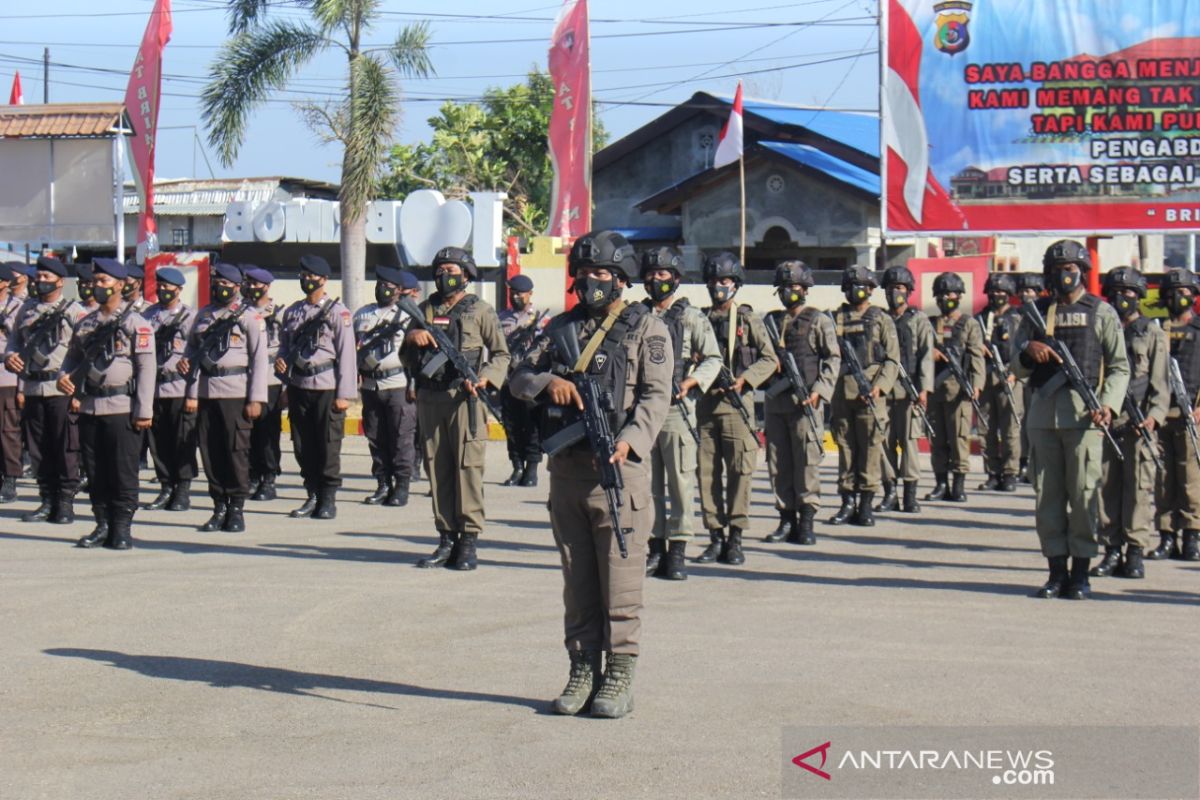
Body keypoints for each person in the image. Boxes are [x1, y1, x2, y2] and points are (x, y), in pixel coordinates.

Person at [508, 229, 671, 719]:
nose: (592, 281)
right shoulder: (560, 326)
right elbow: (517, 376)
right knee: (577, 580)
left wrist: (631, 440)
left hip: (619, 473)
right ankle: (582, 668)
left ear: (620, 279)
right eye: (585, 274)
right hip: (568, 472)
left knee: (621, 580)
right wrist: (548, 381)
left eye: (602, 274)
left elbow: (657, 395)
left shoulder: (646, 328)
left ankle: (620, 673)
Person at [1013, 239, 1129, 599]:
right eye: (1058, 269)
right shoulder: (1035, 313)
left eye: (1071, 269)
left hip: (1084, 418)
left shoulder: (1101, 312)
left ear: (1082, 271)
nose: (1065, 276)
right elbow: (1014, 366)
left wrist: (1108, 404)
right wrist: (1028, 352)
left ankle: (1081, 572)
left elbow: (1120, 366)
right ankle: (1055, 571)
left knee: (1083, 497)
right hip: (1043, 418)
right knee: (1047, 497)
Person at [403, 247, 510, 570]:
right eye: (440, 269)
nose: (444, 275)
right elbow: (406, 356)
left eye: (451, 269)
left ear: (466, 274)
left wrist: (484, 380)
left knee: (467, 468)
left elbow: (502, 354)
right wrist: (414, 338)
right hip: (431, 398)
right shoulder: (425, 308)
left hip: (465, 399)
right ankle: (446, 537)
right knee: (437, 468)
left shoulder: (480, 310)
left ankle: (468, 541)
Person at [58, 258, 155, 550]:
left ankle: (122, 528)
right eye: (94, 281)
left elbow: (147, 368)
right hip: (89, 406)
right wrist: (65, 376)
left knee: (123, 471)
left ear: (121, 285)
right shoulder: (86, 323)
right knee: (95, 470)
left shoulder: (137, 324)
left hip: (122, 408)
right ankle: (102, 524)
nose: (97, 286)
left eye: (103, 281)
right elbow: (73, 357)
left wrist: (144, 410)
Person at [640, 246, 720, 579]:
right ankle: (655, 547)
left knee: (680, 482)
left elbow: (714, 358)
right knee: (647, 485)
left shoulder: (691, 317)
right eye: (652, 274)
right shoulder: (638, 315)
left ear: (675, 277)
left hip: (676, 409)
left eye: (663, 274)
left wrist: (691, 382)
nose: (657, 280)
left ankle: (679, 549)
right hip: (643, 411)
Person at [695, 252, 777, 565]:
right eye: (714, 281)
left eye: (725, 281)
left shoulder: (746, 319)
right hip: (705, 406)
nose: (719, 286)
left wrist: (744, 380)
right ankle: (715, 536)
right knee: (707, 475)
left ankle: (736, 538)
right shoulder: (699, 319)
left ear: (735, 284)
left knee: (740, 473)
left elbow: (770, 359)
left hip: (736, 406)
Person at [1093, 267, 1167, 579]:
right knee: (1106, 489)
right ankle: (1111, 550)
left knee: (1138, 490)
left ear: (1139, 296)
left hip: (1140, 423)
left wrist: (1154, 416)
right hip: (1109, 420)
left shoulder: (1152, 331)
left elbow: (1161, 382)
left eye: (1130, 293)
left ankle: (1135, 551)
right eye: (1118, 292)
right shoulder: (1101, 326)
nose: (1123, 298)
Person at [184, 262, 268, 533]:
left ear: (236, 287)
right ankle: (218, 506)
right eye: (216, 282)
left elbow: (259, 359)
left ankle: (236, 509)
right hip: (207, 392)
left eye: (225, 283)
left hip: (236, 392)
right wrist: (191, 392)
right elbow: (191, 356)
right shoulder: (203, 316)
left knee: (236, 453)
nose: (219, 287)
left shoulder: (249, 317)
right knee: (210, 452)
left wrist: (255, 398)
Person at [762, 260, 840, 544]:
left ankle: (806, 520)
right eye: (784, 288)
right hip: (777, 403)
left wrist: (820, 390)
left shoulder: (819, 320)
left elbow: (832, 359)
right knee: (778, 462)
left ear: (805, 289)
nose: (789, 292)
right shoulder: (771, 321)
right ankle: (786, 518)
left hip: (806, 401)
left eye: (794, 286)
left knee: (806, 462)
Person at [5, 256, 87, 524]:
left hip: (61, 390)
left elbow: (86, 354)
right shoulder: (26, 309)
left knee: (65, 447)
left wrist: (78, 392)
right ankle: (47, 499)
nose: (40, 282)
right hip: (32, 386)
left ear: (60, 282)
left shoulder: (75, 311)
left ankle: (65, 502)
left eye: (46, 278)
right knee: (38, 449)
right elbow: (14, 341)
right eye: (38, 277)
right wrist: (10, 356)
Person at [278, 254, 358, 520]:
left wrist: (345, 394)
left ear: (324, 279)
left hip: (327, 386)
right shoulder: (292, 312)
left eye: (312, 276)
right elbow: (285, 347)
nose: (307, 280)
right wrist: (282, 370)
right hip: (299, 385)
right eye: (304, 275)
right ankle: (311, 493)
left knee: (327, 444)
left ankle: (328, 497)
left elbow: (347, 354)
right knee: (302, 444)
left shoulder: (338, 312)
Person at [828, 265, 899, 527]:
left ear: (870, 288)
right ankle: (848, 501)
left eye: (862, 285)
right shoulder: (835, 318)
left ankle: (867, 503)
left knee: (870, 448)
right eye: (852, 285)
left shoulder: (881, 319)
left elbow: (892, 360)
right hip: (841, 392)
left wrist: (880, 386)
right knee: (845, 448)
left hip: (870, 393)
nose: (857, 290)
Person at [354, 266, 419, 507]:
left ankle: (402, 485)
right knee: (376, 437)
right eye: (379, 283)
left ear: (399, 290)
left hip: (398, 384)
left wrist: (414, 384)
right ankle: (383, 483)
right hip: (371, 385)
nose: (382, 288)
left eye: (388, 285)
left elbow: (416, 354)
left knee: (401, 437)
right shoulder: (362, 315)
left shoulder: (408, 315)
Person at [1150, 267, 1200, 562]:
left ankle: (1192, 535)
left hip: (1191, 414)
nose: (1177, 297)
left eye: (1184, 292)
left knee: (1191, 478)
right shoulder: (1157, 330)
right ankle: (1167, 535)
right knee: (1163, 478)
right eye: (1172, 292)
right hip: (1160, 412)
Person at [877, 265, 933, 514]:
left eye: (899, 288)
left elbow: (926, 356)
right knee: (884, 443)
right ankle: (890, 493)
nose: (895, 293)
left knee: (909, 443)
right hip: (883, 390)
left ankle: (910, 495)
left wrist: (924, 389)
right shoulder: (879, 318)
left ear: (908, 291)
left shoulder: (918, 319)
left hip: (909, 390)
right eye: (890, 288)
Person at [925, 272, 985, 503]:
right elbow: (918, 352)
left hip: (959, 391)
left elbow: (976, 356)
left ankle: (958, 485)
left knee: (959, 439)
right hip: (934, 390)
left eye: (950, 293)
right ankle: (941, 484)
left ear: (959, 295)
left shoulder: (969, 324)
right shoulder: (930, 323)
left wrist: (977, 385)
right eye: (941, 294)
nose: (946, 298)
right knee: (937, 439)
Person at [143, 267, 198, 511]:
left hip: (179, 387)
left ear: (179, 289)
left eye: (169, 287)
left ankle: (183, 489)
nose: (164, 290)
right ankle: (166, 486)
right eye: (161, 285)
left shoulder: (190, 317)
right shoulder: (148, 316)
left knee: (181, 441)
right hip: (154, 388)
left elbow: (197, 357)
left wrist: (192, 393)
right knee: (158, 442)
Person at [498, 274, 548, 487]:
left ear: (530, 294)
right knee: (511, 425)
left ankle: (532, 469)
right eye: (513, 292)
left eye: (520, 293)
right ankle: (517, 466)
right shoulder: (501, 317)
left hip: (529, 380)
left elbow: (546, 347)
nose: (516, 296)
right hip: (507, 379)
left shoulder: (539, 320)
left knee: (532, 426)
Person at [975, 273, 1024, 492]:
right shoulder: (980, 319)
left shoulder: (1018, 319)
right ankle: (992, 472)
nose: (997, 295)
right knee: (986, 428)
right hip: (985, 375)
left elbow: (1024, 349)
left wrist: (1016, 373)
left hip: (1009, 374)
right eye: (993, 291)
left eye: (1002, 292)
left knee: (1011, 428)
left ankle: (1010, 472)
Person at [242, 266, 285, 501]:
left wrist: (286, 386)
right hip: (244, 379)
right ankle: (252, 475)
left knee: (268, 433)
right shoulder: (240, 312)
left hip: (270, 379)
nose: (250, 288)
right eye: (247, 283)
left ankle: (269, 478)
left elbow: (286, 350)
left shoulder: (278, 313)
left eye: (255, 283)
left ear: (266, 287)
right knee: (247, 433)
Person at [1015, 273, 1044, 482]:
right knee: (1025, 423)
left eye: (1031, 291)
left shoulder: (1044, 314)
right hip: (1022, 375)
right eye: (1024, 291)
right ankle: (1024, 463)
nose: (1027, 295)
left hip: (1042, 378)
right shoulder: (1019, 316)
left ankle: (1037, 463)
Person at [0, 263, 24, 504]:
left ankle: (11, 477)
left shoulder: (17, 309)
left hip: (7, 376)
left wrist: (22, 386)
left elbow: (22, 345)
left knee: (9, 431)